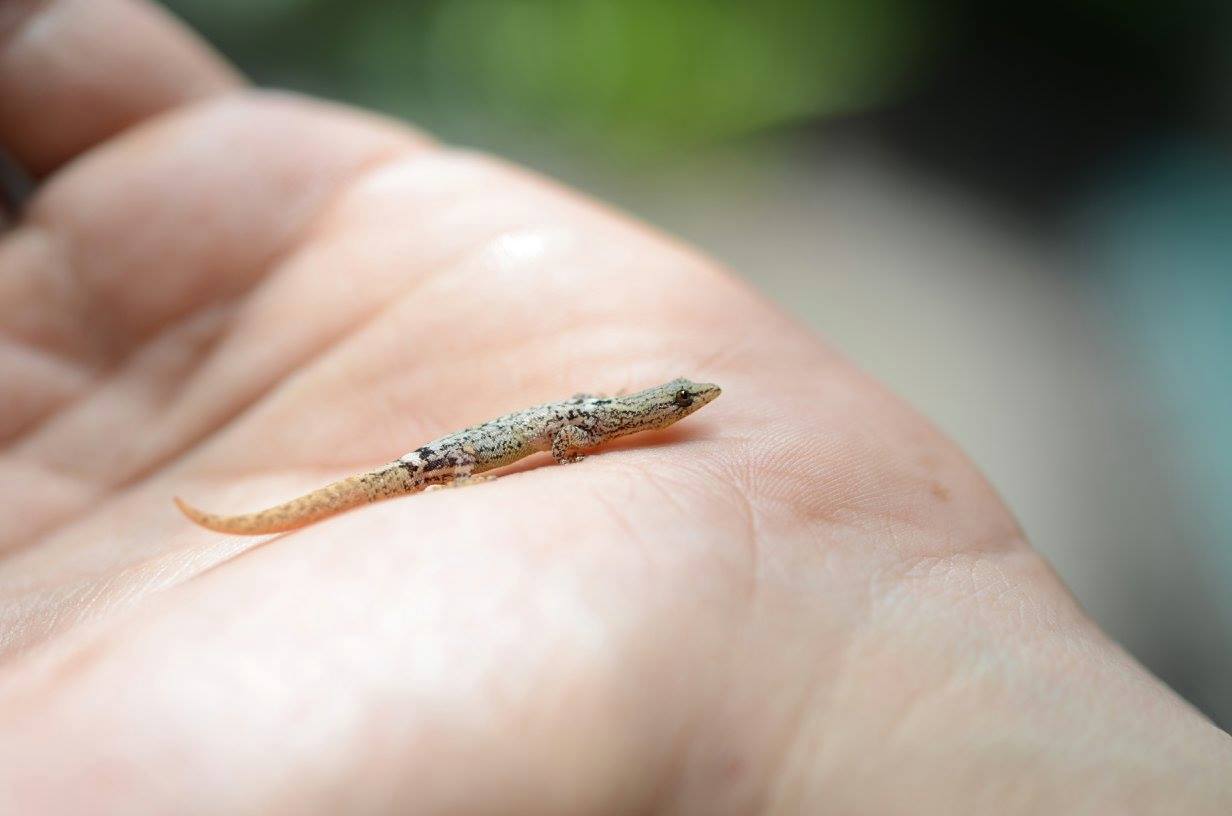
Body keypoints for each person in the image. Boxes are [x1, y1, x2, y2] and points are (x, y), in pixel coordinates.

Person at [0, 1, 1227, 812]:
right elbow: (567, 432)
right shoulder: (616, 421)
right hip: (449, 462)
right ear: (660, 408)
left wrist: (847, 679)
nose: (692, 407)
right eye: (684, 399)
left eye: (682, 402)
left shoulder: (640, 431)